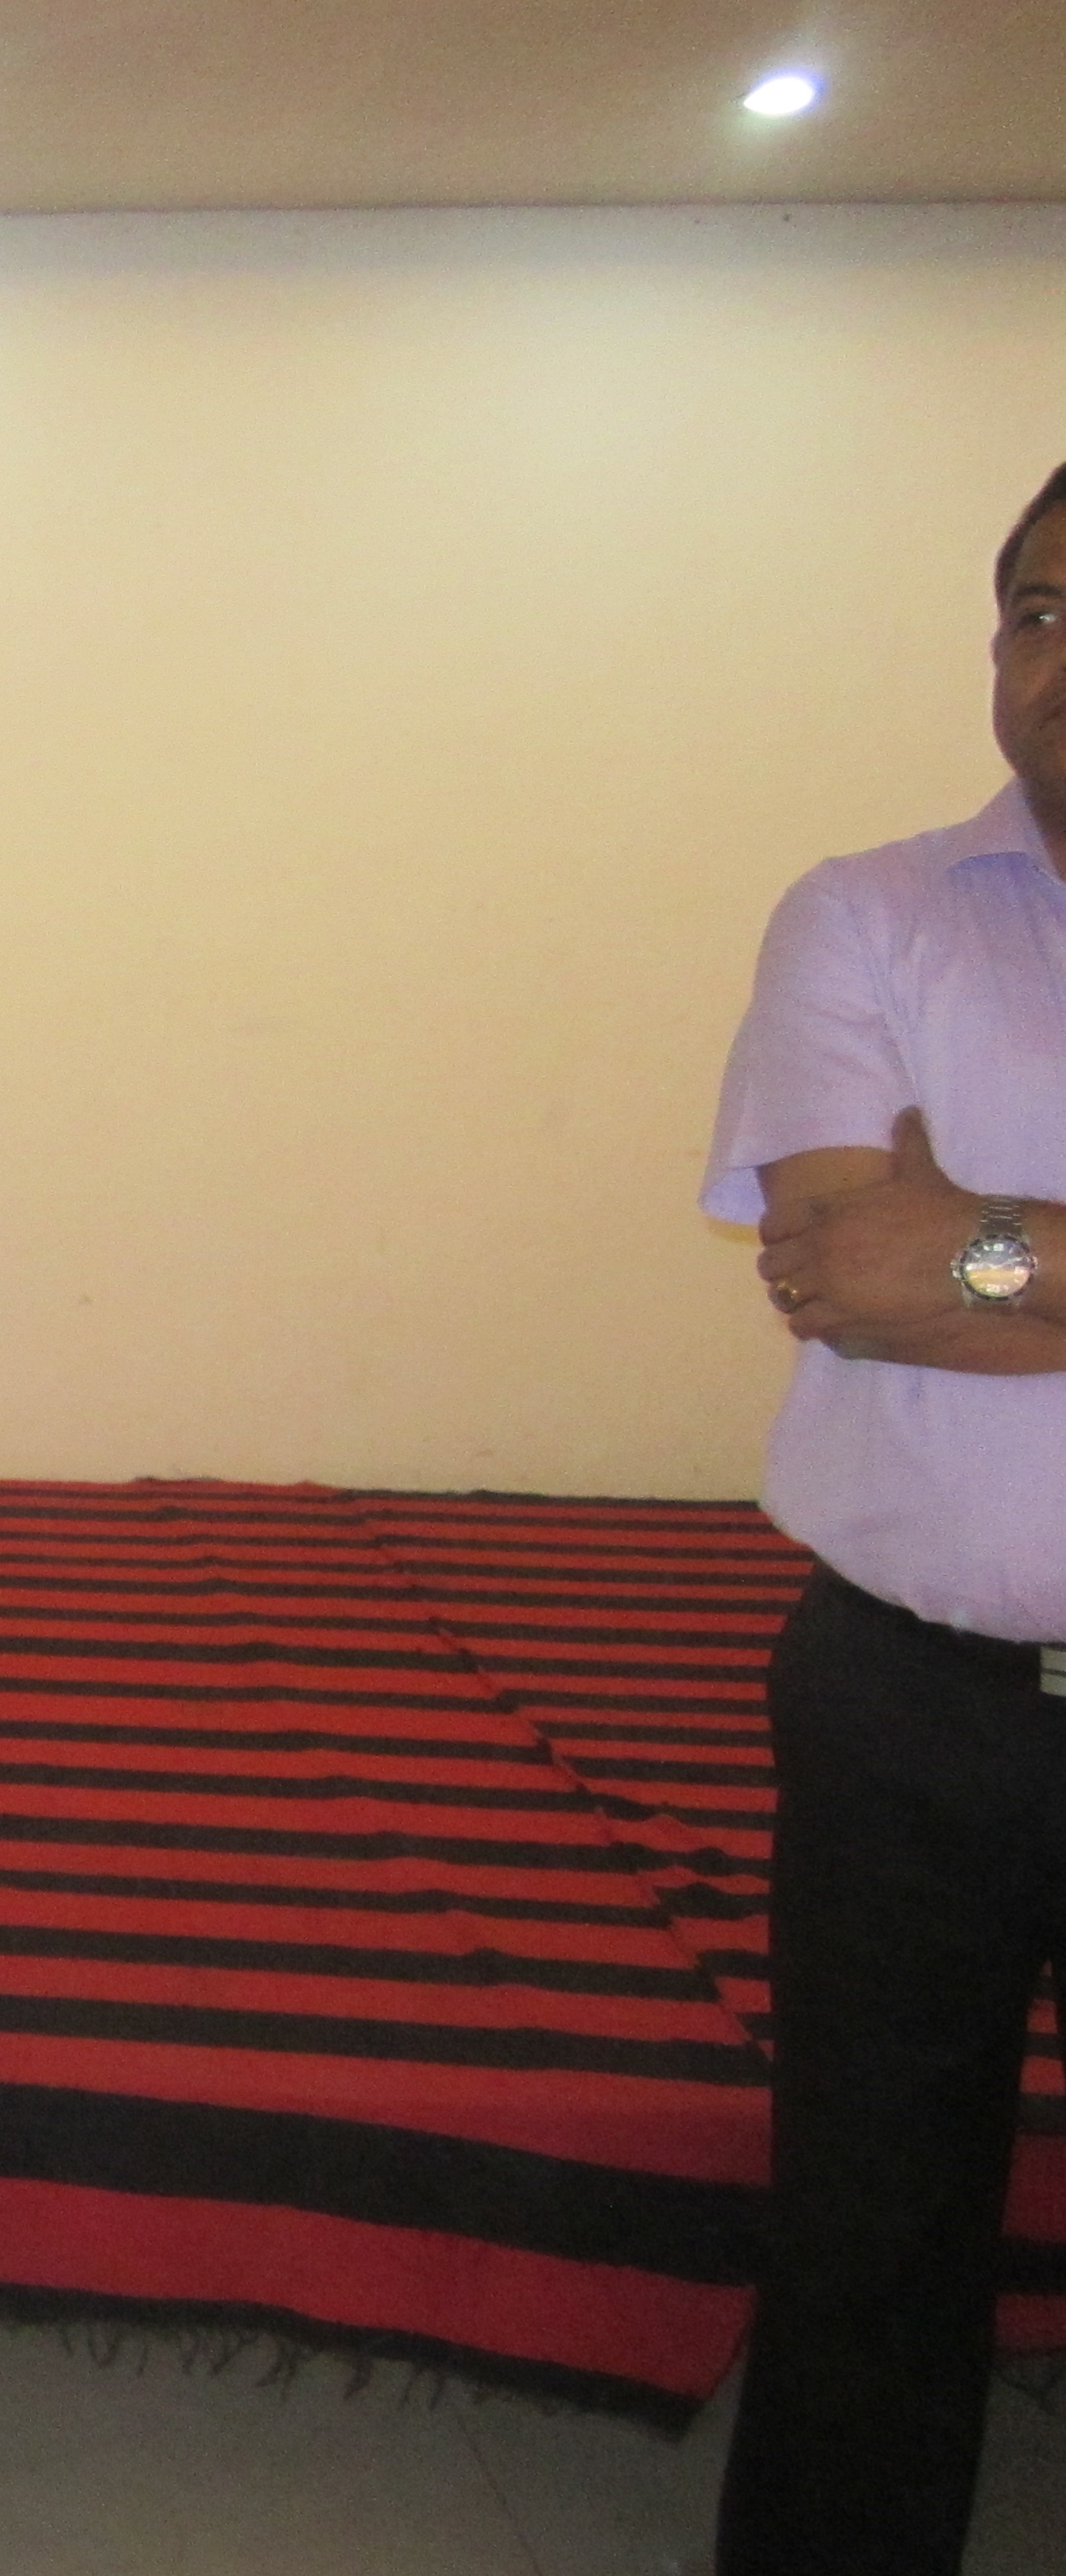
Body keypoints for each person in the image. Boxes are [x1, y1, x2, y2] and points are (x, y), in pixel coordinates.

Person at [705, 458, 1066, 2575]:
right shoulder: (867, 914)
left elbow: (944, 1266)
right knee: (866, 2245)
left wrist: (992, 1246)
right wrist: (949, 1260)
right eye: (1037, 612)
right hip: (908, 1702)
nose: (1060, 657)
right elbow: (852, 1266)